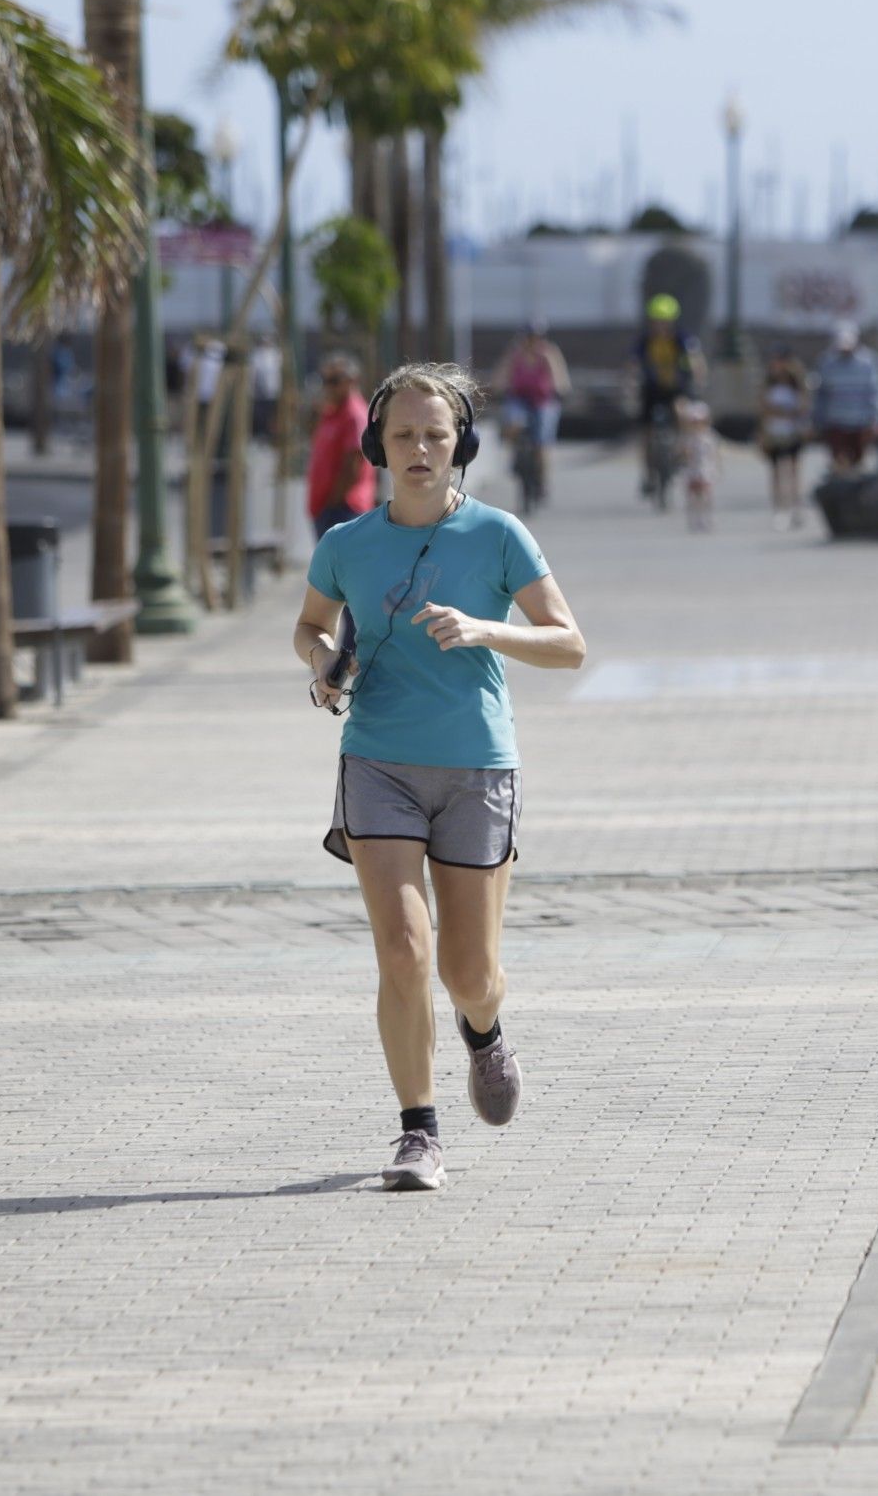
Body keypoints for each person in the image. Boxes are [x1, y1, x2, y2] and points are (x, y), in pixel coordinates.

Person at [295, 362, 587, 1192]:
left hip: (477, 766)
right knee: (402, 950)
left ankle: (485, 1031)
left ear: (461, 441)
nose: (420, 449)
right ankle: (417, 1132)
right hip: (377, 759)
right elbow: (310, 626)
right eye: (403, 435)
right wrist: (325, 667)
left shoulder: (498, 535)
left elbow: (569, 641)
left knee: (469, 972)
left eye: (435, 433)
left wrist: (487, 629)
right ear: (376, 445)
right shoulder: (345, 543)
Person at [628, 294, 700, 503]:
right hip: (652, 388)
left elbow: (695, 359)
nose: (660, 325)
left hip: (676, 387)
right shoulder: (645, 340)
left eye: (664, 321)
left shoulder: (682, 338)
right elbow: (633, 363)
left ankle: (680, 452)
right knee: (646, 432)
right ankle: (648, 473)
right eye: (657, 321)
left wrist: (697, 376)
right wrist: (631, 381)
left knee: (681, 412)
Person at [305, 352, 374, 540]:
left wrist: (331, 504)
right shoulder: (331, 413)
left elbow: (353, 466)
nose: (328, 387)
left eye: (334, 381)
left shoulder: (354, 415)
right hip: (326, 509)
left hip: (343, 510)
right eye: (325, 380)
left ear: (352, 381)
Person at [502, 321, 568, 515]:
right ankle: (515, 456)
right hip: (519, 399)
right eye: (529, 338)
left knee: (542, 440)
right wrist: (494, 388)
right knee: (512, 421)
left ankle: (542, 479)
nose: (532, 342)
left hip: (543, 400)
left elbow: (560, 378)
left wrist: (560, 389)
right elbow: (502, 375)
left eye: (536, 338)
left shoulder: (549, 353)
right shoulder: (515, 354)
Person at [812, 320, 878, 475]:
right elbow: (821, 394)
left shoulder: (869, 362)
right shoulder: (827, 362)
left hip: (861, 422)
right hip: (835, 421)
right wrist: (816, 420)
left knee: (857, 466)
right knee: (839, 464)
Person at [758, 351, 810, 528]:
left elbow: (802, 408)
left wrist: (782, 412)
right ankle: (779, 509)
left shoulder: (797, 387)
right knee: (776, 473)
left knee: (794, 472)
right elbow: (765, 410)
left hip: (792, 433)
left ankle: (796, 508)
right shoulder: (769, 387)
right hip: (774, 433)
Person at [677, 396, 721, 531]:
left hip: (706, 470)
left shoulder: (709, 437)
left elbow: (714, 454)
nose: (697, 424)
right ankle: (694, 519)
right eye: (694, 421)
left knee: (706, 496)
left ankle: (707, 518)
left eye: (699, 421)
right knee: (693, 497)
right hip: (692, 471)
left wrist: (718, 468)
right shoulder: (687, 437)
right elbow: (681, 454)